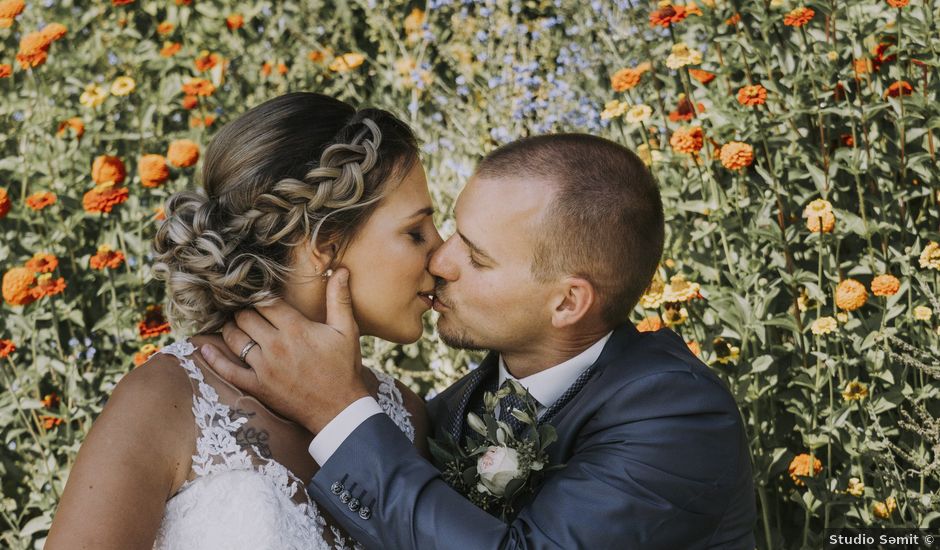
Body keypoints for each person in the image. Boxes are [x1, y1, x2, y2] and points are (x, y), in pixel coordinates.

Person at [203, 133, 758, 548]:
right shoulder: (454, 407)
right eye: (451, 231)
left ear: (567, 302)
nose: (440, 261)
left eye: (477, 255)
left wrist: (335, 409)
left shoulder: (677, 415)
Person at [45, 92, 442, 549]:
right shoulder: (165, 402)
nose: (443, 253)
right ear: (325, 246)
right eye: (416, 232)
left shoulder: (405, 419)